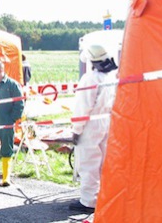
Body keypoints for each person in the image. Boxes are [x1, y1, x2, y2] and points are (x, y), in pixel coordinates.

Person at [68, 44, 118, 213]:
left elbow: (83, 107)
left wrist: (76, 130)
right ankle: (102, 197)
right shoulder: (112, 76)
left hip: (91, 124)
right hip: (106, 122)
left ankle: (89, 201)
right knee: (103, 162)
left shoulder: (90, 79)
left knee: (88, 163)